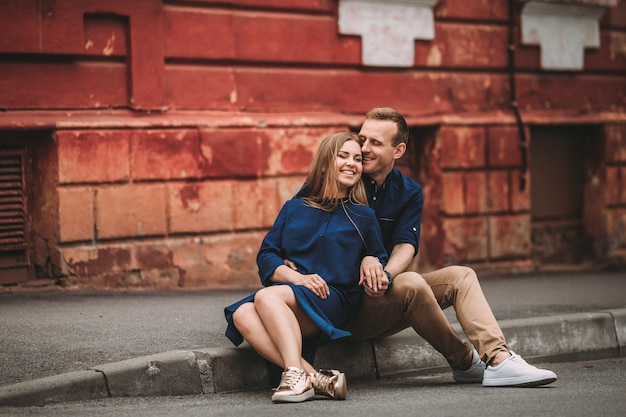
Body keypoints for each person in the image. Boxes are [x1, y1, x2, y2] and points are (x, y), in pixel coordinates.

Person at [348, 107, 557, 387]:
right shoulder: (342, 178)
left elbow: (405, 246)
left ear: (398, 151)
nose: (363, 149)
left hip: (380, 298)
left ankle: (498, 359)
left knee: (461, 276)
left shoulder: (408, 191)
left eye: (375, 142)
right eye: (362, 139)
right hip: (346, 305)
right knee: (411, 282)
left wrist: (384, 277)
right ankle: (463, 361)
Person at [224, 132, 388, 403]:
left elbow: (376, 255)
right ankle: (314, 377)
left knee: (266, 296)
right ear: (324, 164)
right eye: (343, 156)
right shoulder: (294, 209)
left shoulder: (364, 215)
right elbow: (267, 255)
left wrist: (371, 258)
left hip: (332, 298)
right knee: (242, 314)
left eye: (357, 159)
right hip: (293, 294)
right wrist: (295, 278)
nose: (352, 163)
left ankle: (295, 376)